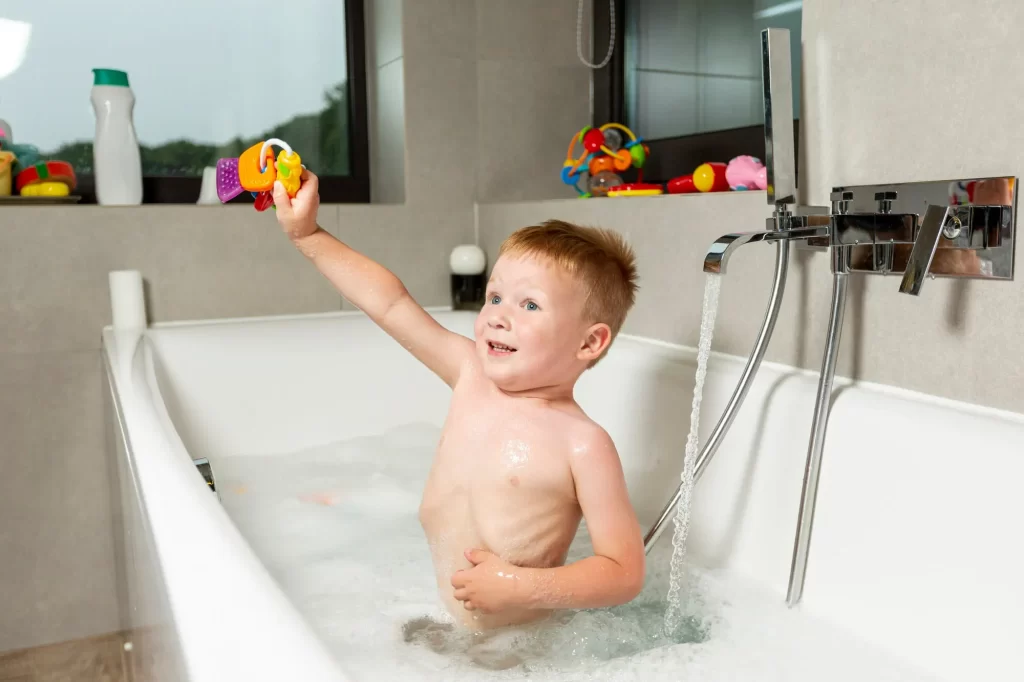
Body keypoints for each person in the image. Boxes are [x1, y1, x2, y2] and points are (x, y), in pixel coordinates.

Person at [271, 174, 646, 631]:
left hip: (518, 651)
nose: (498, 317)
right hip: (449, 629)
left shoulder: (583, 444)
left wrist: (517, 585)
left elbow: (624, 572)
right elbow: (390, 304)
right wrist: (308, 235)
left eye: (529, 305)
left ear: (590, 343)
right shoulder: (471, 375)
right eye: (495, 296)